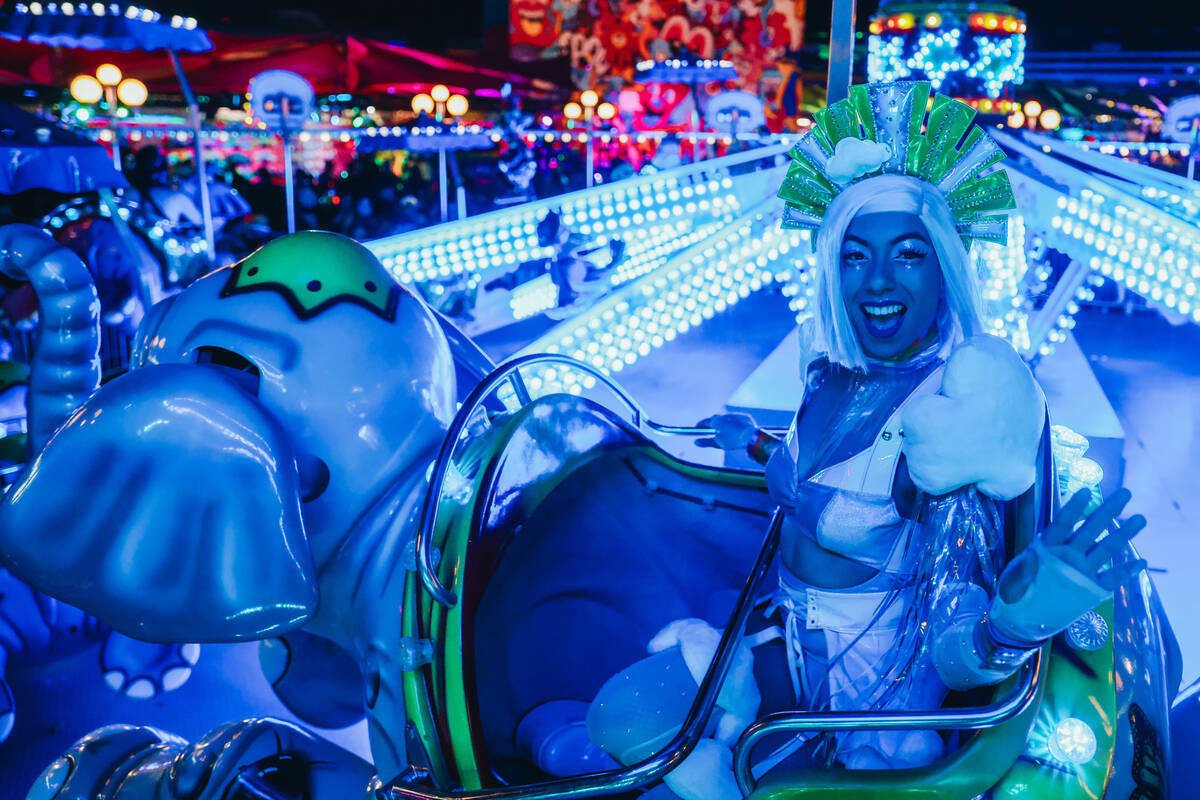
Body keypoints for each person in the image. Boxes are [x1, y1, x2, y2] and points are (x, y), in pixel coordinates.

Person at [582, 81, 1147, 799]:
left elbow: (953, 639)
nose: (876, 280)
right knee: (617, 724)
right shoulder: (830, 374)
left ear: (944, 269)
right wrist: (751, 446)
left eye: (908, 254)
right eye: (855, 256)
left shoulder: (949, 415)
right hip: (780, 641)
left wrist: (1013, 626)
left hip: (872, 702)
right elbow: (808, 482)